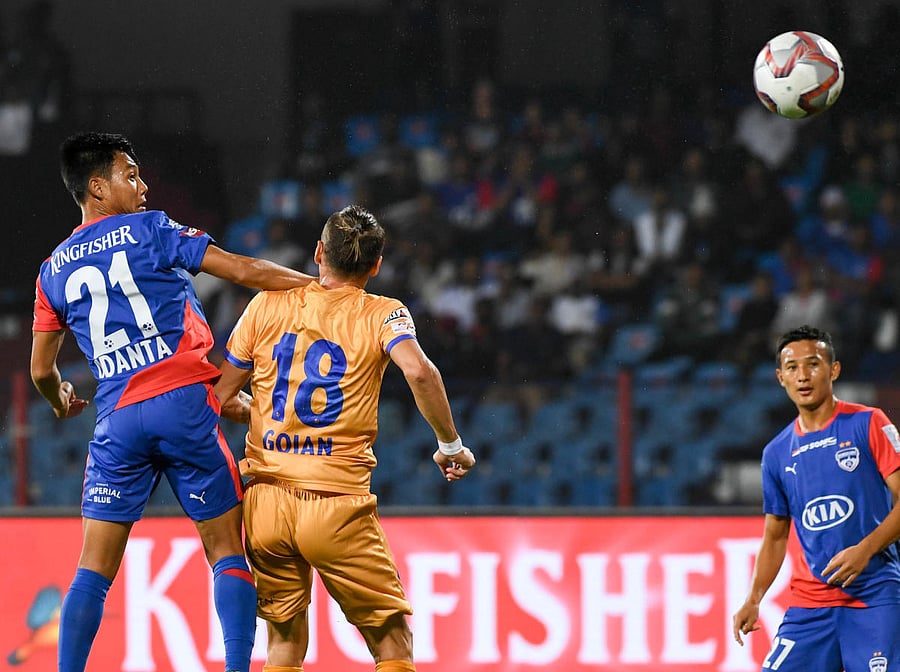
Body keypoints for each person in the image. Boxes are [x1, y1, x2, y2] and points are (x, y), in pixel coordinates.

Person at [30, 132, 316, 672]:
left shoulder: (52, 271)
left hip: (117, 422)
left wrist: (59, 398)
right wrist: (324, 289)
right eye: (131, 175)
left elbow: (41, 370)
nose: (143, 186)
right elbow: (244, 271)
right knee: (226, 553)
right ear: (98, 187)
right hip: (183, 407)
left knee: (92, 571)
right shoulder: (150, 228)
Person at [213, 204, 476, 672]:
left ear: (318, 253)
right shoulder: (383, 314)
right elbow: (419, 372)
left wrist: (267, 417)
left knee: (284, 642)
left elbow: (220, 397)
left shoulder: (265, 304)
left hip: (266, 502)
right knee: (392, 642)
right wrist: (450, 444)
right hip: (334, 502)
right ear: (376, 266)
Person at [732, 325, 900, 670]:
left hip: (875, 597)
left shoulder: (868, 423)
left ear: (833, 370)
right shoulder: (776, 453)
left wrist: (865, 550)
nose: (802, 376)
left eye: (813, 364)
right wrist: (754, 598)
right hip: (811, 607)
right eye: (792, 367)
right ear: (780, 377)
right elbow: (775, 536)